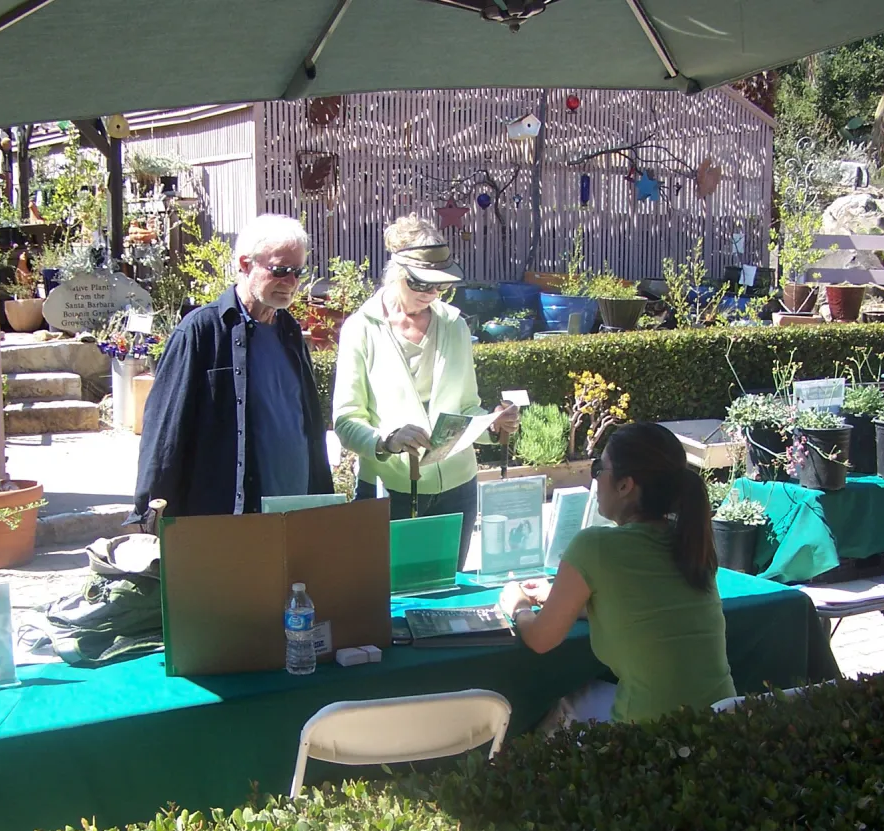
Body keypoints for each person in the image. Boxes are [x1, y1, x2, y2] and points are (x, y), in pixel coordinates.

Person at [499, 422, 736, 725]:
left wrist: (517, 604)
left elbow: (541, 639)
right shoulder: (692, 542)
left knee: (560, 700)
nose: (595, 478)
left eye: (599, 468)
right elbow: (642, 607)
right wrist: (562, 600)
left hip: (648, 737)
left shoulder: (595, 546)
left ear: (625, 485)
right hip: (722, 726)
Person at [332, 214, 518, 568]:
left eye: (439, 286)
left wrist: (493, 425)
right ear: (397, 273)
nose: (431, 294)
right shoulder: (361, 329)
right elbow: (345, 419)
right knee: (386, 601)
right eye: (422, 284)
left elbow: (467, 407)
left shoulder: (455, 325)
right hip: (388, 488)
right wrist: (386, 440)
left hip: (458, 487)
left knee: (449, 595)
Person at [134, 214, 332, 519]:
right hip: (230, 515)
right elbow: (164, 435)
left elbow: (309, 429)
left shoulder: (289, 332)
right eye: (280, 270)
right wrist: (147, 516)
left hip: (295, 512)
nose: (291, 283)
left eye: (297, 272)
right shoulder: (202, 331)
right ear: (245, 264)